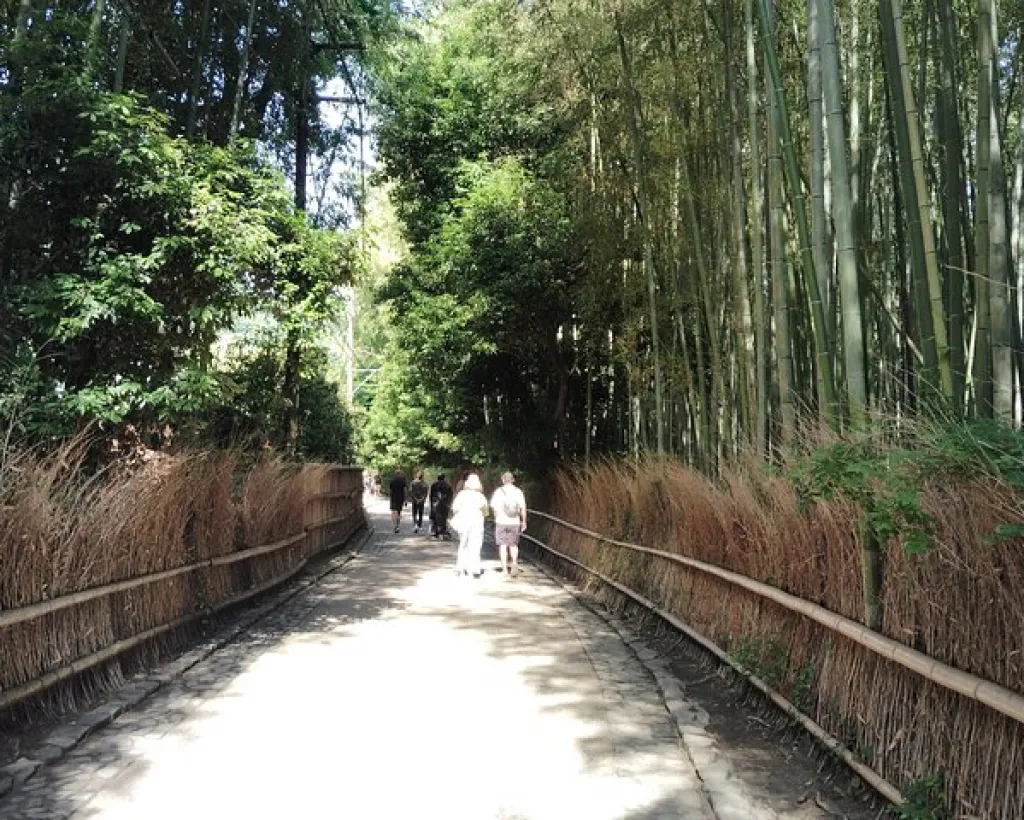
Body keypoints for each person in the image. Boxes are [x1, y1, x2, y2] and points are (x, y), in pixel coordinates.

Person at [450, 473, 488, 577]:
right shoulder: (481, 497)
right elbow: (485, 512)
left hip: (464, 522)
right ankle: (475, 568)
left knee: (463, 544)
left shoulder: (461, 495)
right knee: (476, 545)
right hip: (477, 522)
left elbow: (455, 509)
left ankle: (461, 567)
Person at [491, 471, 527, 576]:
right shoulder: (518, 492)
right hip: (514, 522)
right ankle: (514, 562)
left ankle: (504, 569)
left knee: (503, 545)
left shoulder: (498, 491)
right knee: (513, 544)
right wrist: (524, 521)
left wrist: (496, 517)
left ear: (503, 480)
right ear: (513, 480)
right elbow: (523, 508)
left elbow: (494, 508)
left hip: (501, 521)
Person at [429, 474, 452, 539]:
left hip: (435, 504)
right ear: (444, 478)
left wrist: (432, 504)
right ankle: (443, 531)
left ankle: (435, 532)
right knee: (444, 518)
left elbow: (431, 495)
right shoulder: (448, 485)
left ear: (437, 478)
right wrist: (449, 504)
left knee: (435, 518)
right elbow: (450, 496)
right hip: (445, 504)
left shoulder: (434, 485)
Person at [388, 468, 407, 533]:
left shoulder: (392, 481)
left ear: (395, 474)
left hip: (393, 498)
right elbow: (405, 491)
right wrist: (405, 499)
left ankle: (394, 526)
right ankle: (397, 525)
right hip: (400, 498)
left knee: (393, 512)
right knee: (399, 512)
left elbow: (390, 491)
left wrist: (390, 497)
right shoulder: (403, 481)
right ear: (400, 474)